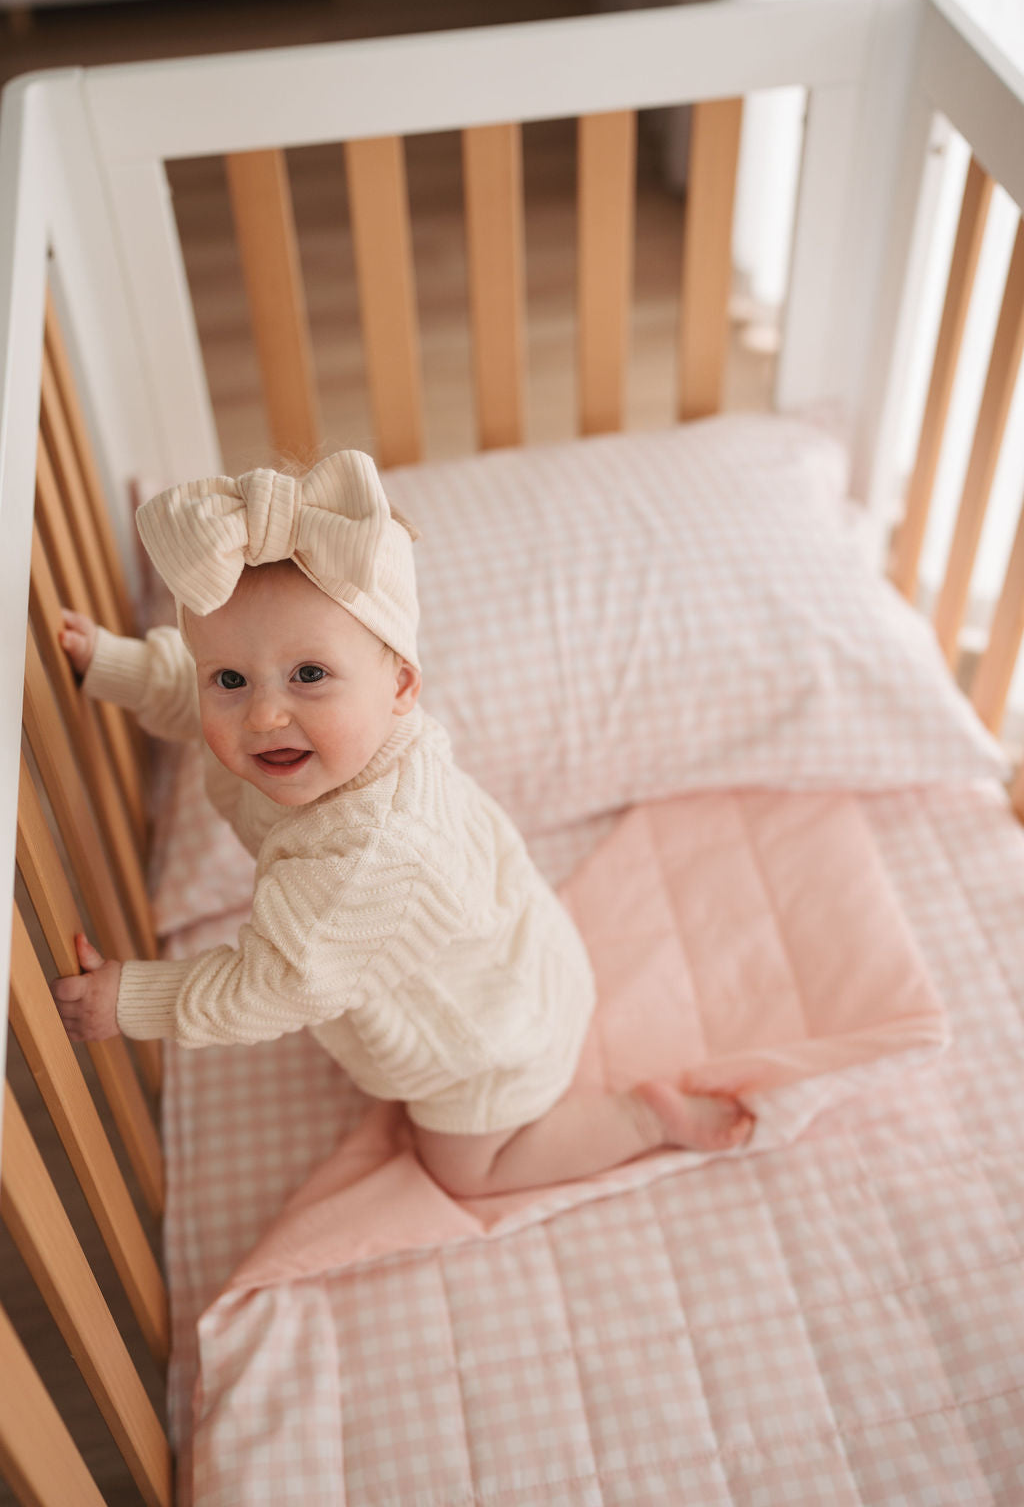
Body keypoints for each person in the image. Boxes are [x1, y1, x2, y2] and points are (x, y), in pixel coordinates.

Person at [52, 450, 752, 1196]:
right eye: (230, 678)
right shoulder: (307, 734)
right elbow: (189, 694)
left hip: (484, 1039)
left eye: (309, 675)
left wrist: (132, 999)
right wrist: (112, 664)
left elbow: (266, 986)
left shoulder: (370, 856)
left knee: (464, 1174)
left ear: (401, 686)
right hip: (510, 945)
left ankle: (641, 1122)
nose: (261, 714)